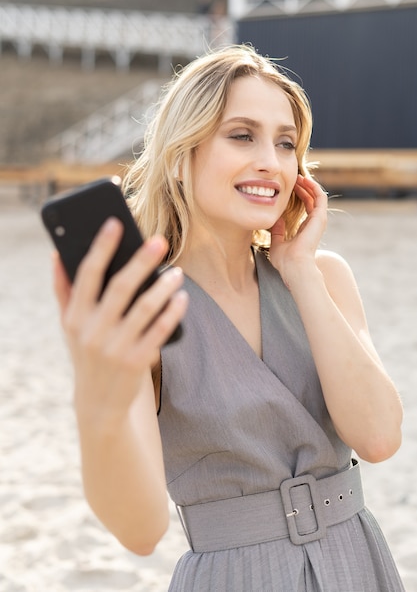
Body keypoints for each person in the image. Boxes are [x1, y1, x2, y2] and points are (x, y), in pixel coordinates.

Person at [53, 44, 405, 591]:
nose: (271, 160)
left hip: (356, 563)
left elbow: (380, 438)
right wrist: (95, 393)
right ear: (181, 153)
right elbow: (141, 530)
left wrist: (300, 271)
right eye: (242, 135)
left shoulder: (324, 277)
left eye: (286, 143)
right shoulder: (145, 313)